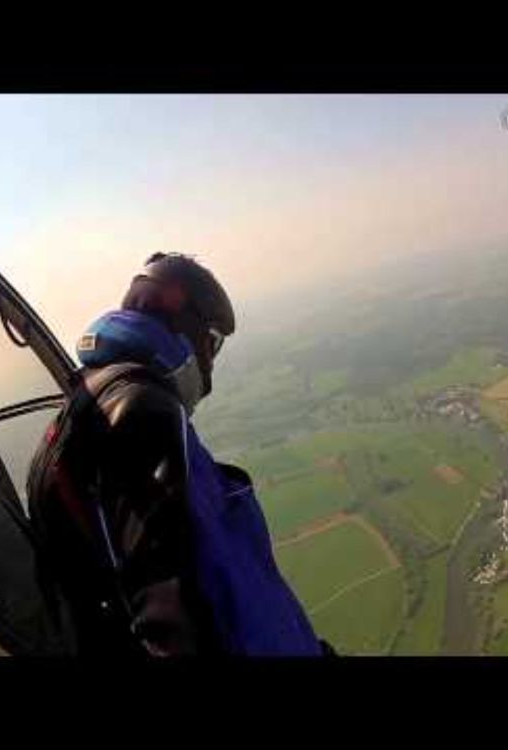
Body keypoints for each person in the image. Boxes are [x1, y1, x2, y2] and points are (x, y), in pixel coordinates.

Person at [27, 252, 327, 656]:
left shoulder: (99, 401)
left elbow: (227, 579)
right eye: (212, 341)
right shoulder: (140, 414)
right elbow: (173, 621)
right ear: (184, 325)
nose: (210, 360)